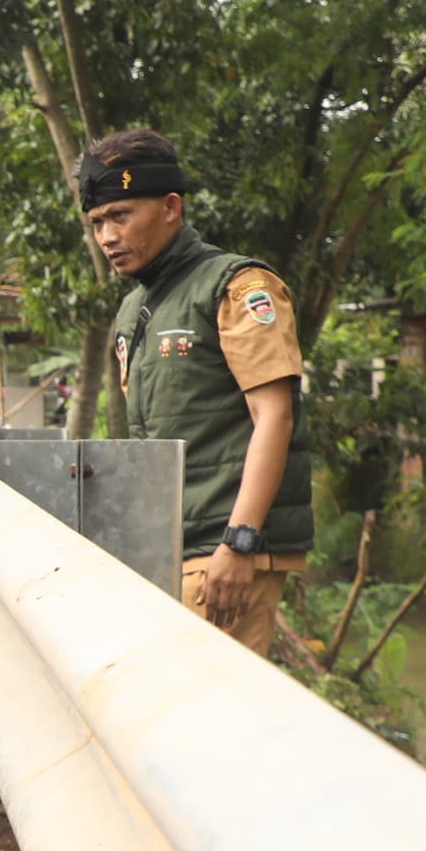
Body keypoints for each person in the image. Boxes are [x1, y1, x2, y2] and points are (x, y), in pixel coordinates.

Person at [84, 127, 313, 656]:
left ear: (170, 207)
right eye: (97, 222)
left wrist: (240, 543)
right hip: (166, 544)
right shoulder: (134, 308)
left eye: (121, 216)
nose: (108, 237)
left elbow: (274, 417)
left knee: (217, 724)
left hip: (226, 551)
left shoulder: (237, 286)